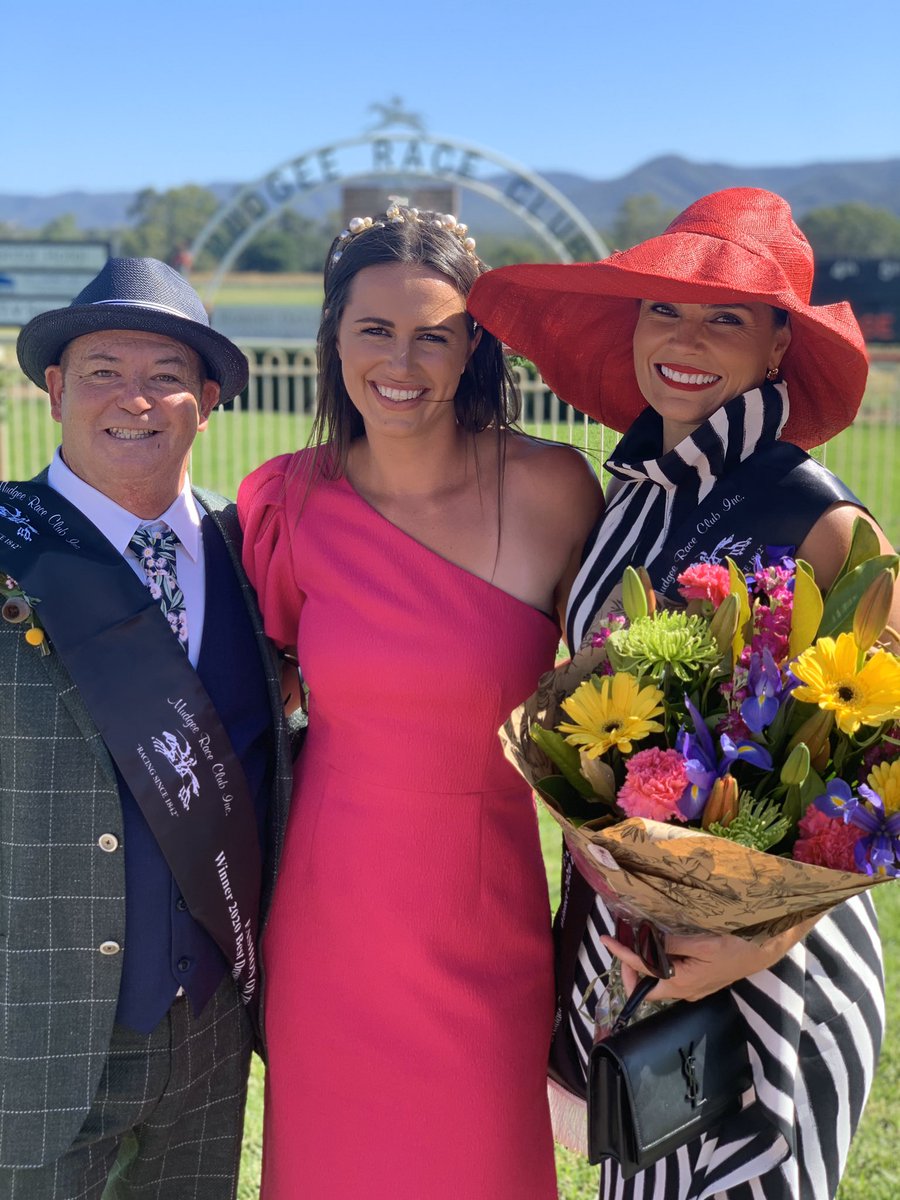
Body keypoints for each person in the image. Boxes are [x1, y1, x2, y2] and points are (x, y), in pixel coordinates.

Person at [467, 187, 893, 1200]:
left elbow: (886, 763)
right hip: (637, 953)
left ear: (779, 346)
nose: (686, 338)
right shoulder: (624, 505)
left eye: (726, 317)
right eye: (665, 310)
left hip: (782, 979)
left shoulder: (818, 516)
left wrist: (761, 935)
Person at [237, 204, 603, 1198]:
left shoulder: (553, 490)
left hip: (487, 924)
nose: (403, 360)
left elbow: (628, 701)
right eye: (375, 329)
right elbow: (247, 704)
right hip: (330, 927)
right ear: (334, 338)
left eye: (432, 333)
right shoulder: (283, 500)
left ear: (471, 345)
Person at [2, 258, 292, 1199]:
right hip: (31, 1026)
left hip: (209, 1035)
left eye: (166, 373)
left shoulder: (251, 552)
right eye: (100, 371)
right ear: (54, 393)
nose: (135, 398)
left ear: (207, 401)